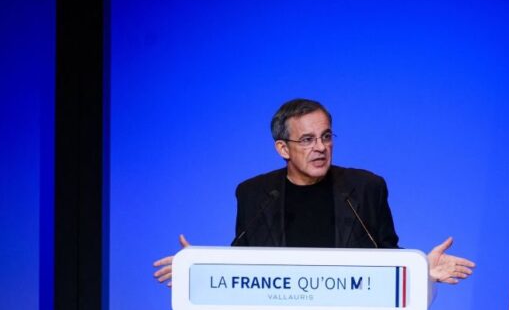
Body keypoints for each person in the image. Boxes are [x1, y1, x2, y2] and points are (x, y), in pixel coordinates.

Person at [154, 98, 475, 285]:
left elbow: (386, 258)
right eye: (307, 140)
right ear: (282, 148)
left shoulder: (366, 188)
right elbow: (243, 266)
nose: (320, 148)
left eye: (326, 136)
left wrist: (423, 272)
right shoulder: (254, 194)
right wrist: (197, 272)